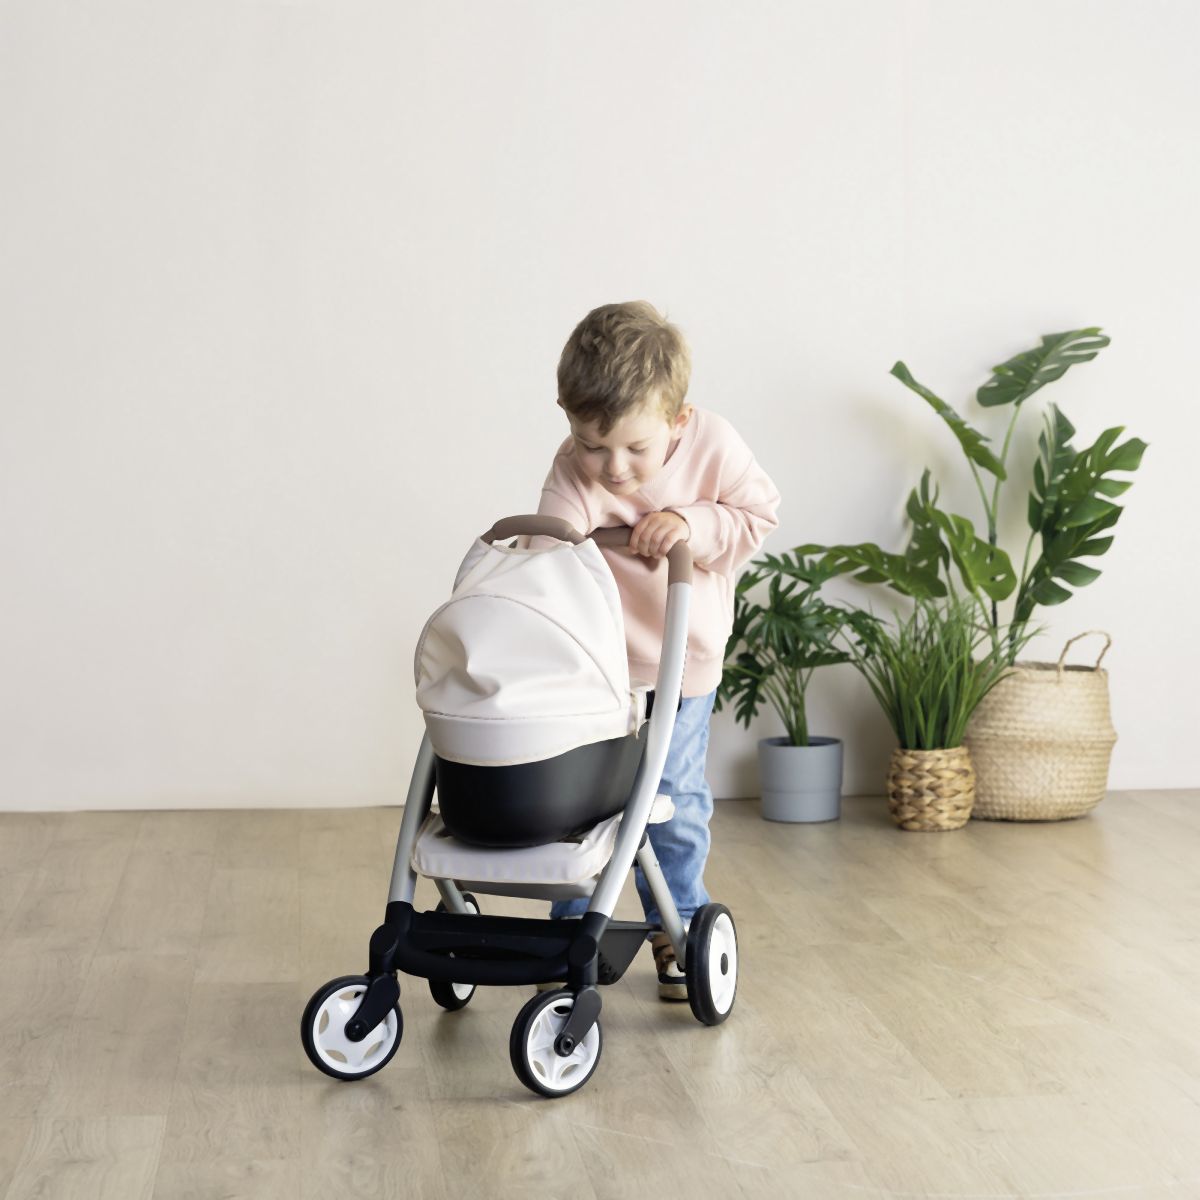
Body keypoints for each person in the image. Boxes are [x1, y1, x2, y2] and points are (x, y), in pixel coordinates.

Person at [532, 301, 780, 999]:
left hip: (680, 664)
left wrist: (690, 524)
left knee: (671, 798)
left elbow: (757, 515)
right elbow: (550, 546)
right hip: (596, 670)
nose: (613, 469)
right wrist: (542, 549)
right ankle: (571, 933)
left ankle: (680, 924)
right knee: (580, 805)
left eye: (635, 449)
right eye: (592, 445)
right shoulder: (574, 469)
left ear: (677, 420)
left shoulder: (714, 445)